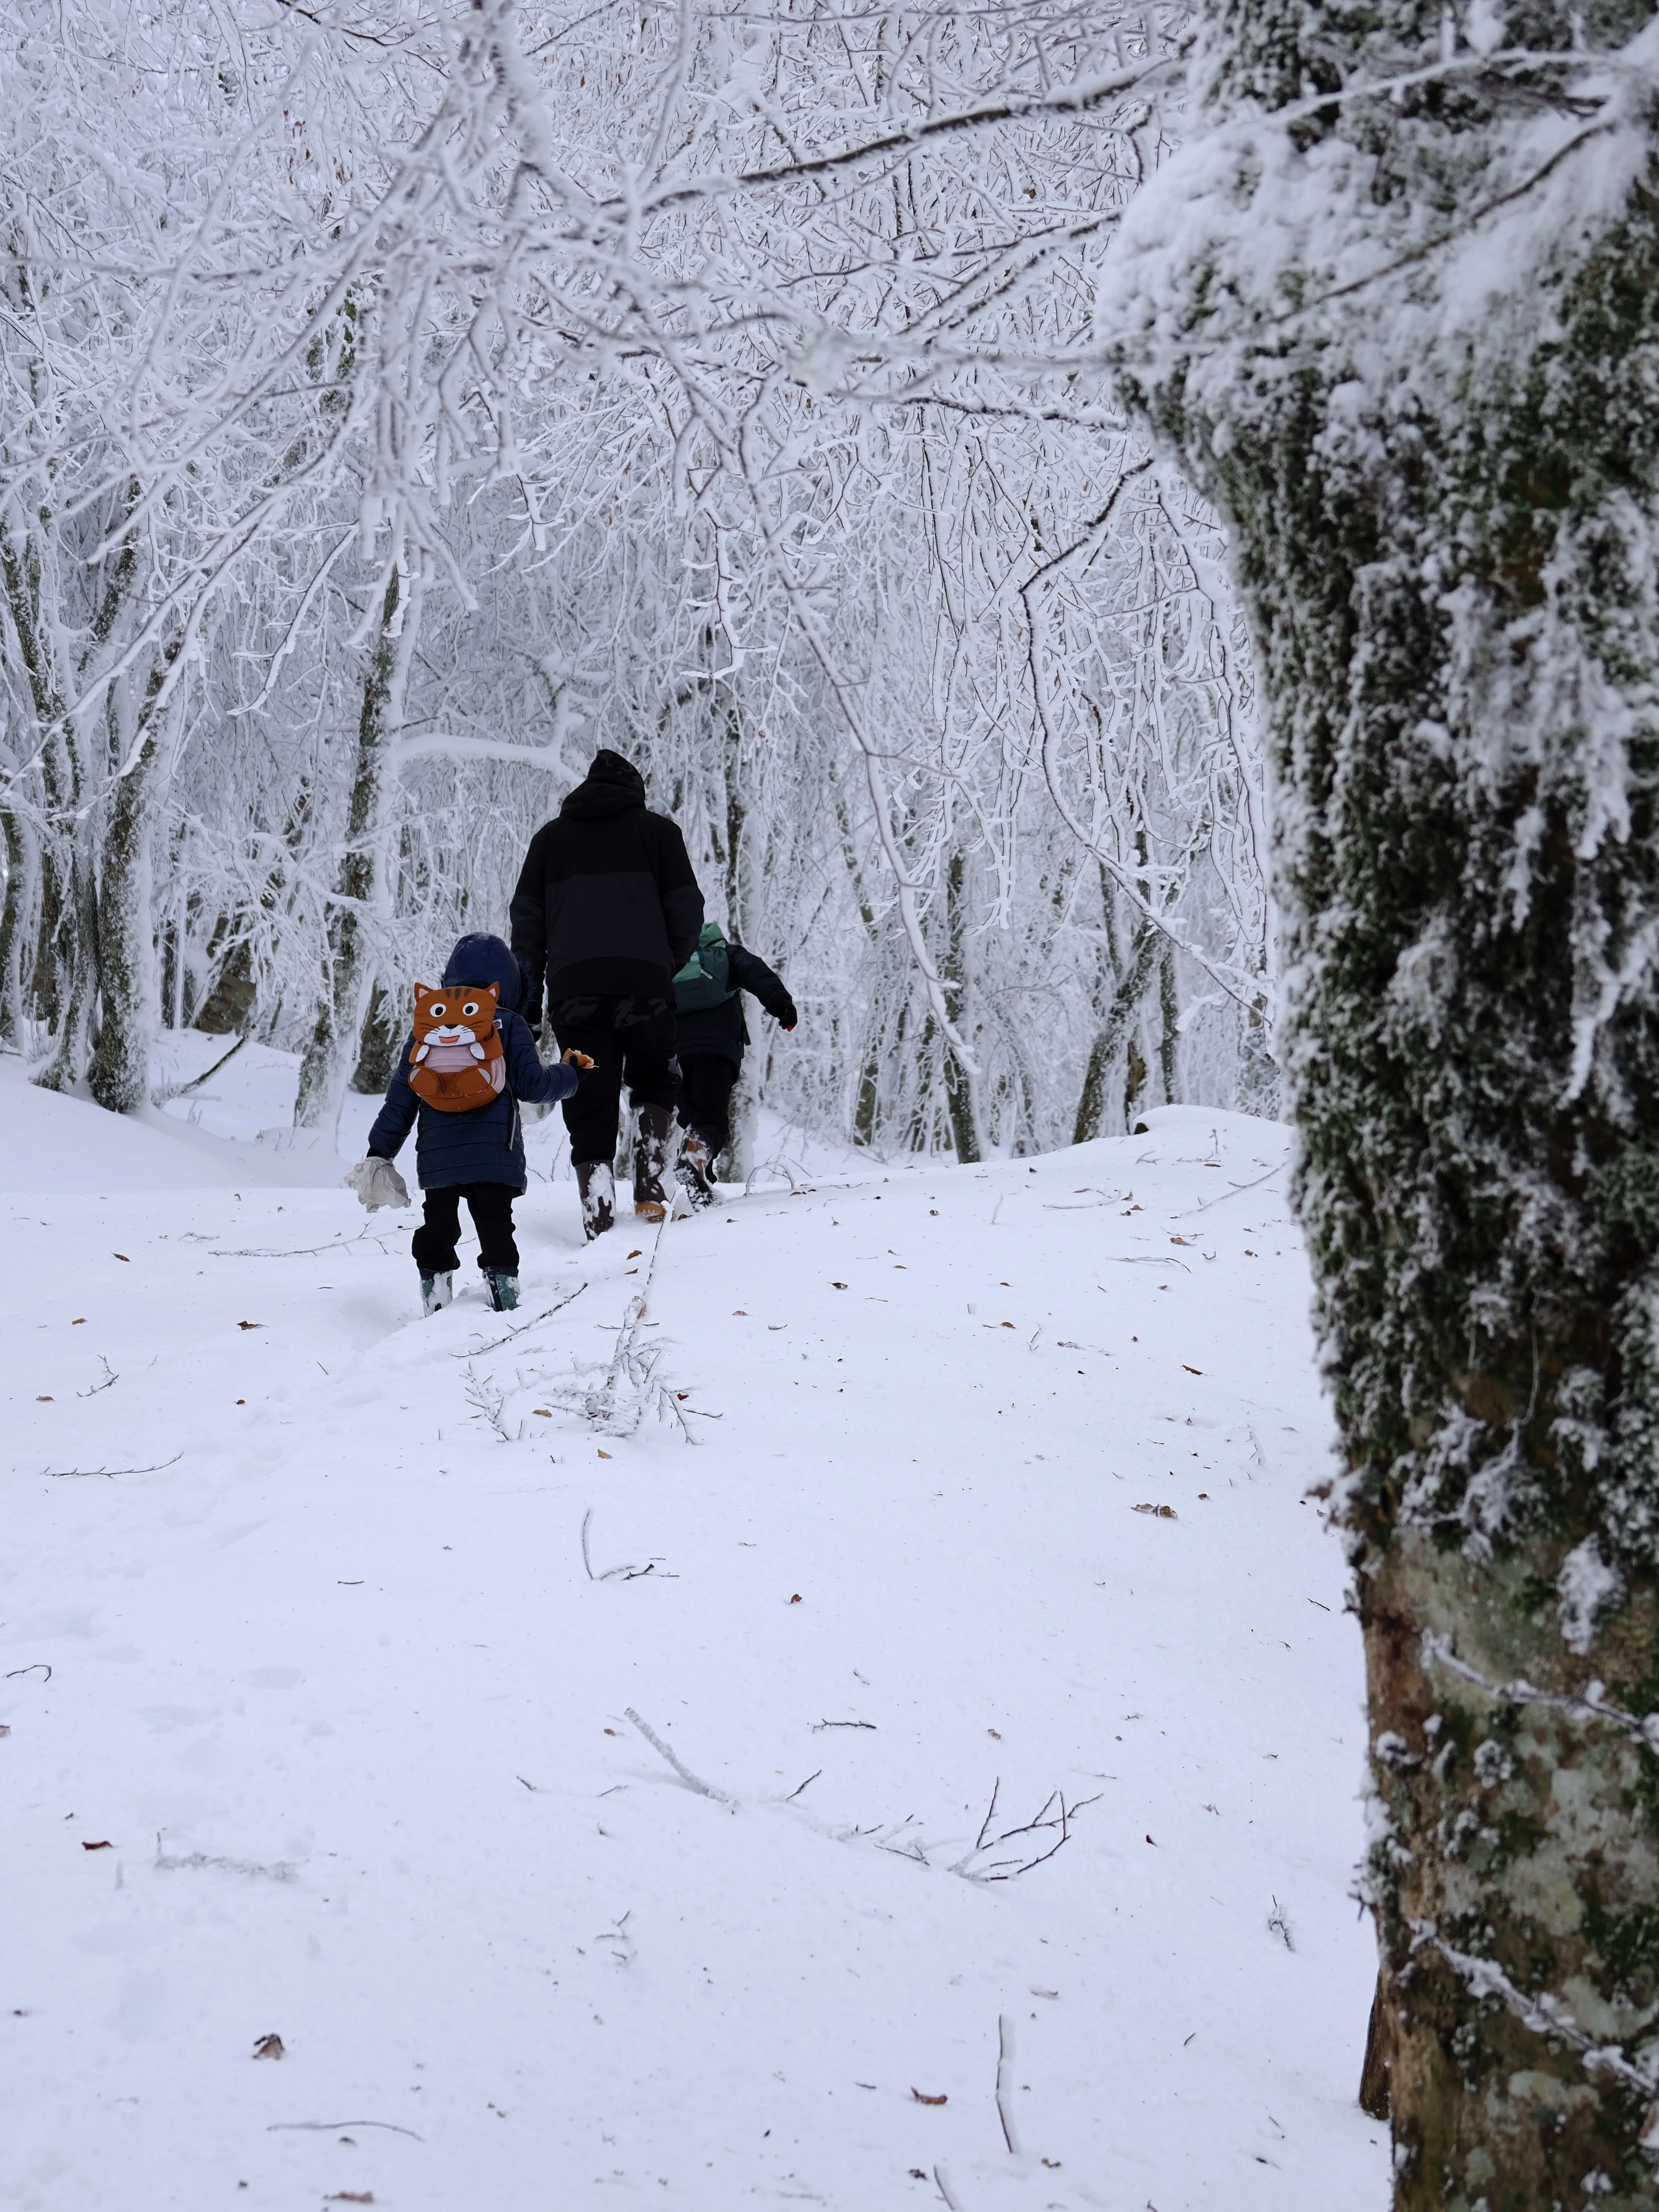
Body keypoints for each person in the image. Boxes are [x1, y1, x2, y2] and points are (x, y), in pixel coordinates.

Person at [509, 748, 703, 1238]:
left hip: (577, 988)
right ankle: (651, 1185)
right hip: (646, 982)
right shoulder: (660, 834)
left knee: (587, 1086)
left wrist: (527, 1011)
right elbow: (687, 911)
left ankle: (597, 1208)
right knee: (655, 1073)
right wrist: (667, 962)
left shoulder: (549, 841)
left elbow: (528, 931)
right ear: (635, 791)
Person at [350, 932, 589, 1315]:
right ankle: (505, 1301)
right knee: (496, 1227)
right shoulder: (511, 1024)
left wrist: (380, 1152)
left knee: (438, 1230)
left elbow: (401, 1098)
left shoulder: (428, 1027)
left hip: (438, 1160)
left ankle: (436, 1304)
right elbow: (534, 1086)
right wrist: (573, 1073)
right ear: (509, 986)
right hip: (494, 1157)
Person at [671, 920, 797, 1207]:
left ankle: (702, 1179)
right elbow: (759, 975)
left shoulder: (669, 960)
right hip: (716, 1050)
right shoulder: (726, 955)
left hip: (675, 1052)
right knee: (712, 1119)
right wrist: (782, 1005)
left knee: (693, 1116)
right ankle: (695, 1160)